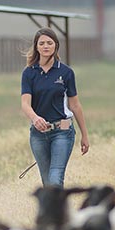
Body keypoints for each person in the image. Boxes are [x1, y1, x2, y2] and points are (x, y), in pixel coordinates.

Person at [20, 28, 89, 186]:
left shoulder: (66, 72)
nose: (46, 46)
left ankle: (57, 210)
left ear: (56, 46)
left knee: (55, 178)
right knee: (47, 181)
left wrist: (85, 135)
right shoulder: (29, 73)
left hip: (62, 132)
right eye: (42, 43)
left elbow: (75, 105)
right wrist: (35, 118)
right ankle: (56, 210)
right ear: (36, 46)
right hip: (38, 133)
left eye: (49, 43)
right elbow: (25, 103)